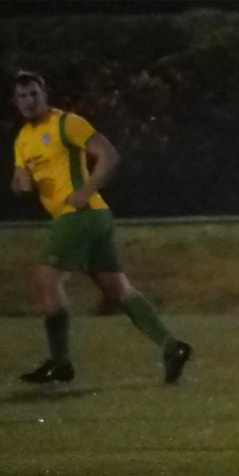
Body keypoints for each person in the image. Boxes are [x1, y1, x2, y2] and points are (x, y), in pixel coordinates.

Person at [10, 71, 192, 384]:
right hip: (92, 218)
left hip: (78, 215)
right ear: (14, 102)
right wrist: (21, 182)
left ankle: (60, 362)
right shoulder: (23, 138)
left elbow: (109, 155)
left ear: (45, 95)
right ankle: (172, 346)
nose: (28, 101)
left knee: (45, 279)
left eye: (33, 94)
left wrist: (85, 190)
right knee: (118, 289)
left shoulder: (67, 123)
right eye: (22, 96)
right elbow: (17, 180)